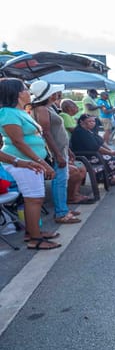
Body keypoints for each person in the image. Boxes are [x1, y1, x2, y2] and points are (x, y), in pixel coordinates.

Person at [0, 78, 60, 250]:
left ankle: (33, 232)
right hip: (22, 163)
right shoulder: (8, 113)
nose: (29, 92)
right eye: (25, 89)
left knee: (34, 198)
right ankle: (35, 239)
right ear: (18, 93)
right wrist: (42, 162)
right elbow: (18, 142)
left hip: (31, 162)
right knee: (33, 198)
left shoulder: (19, 112)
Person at [29, 81, 81, 225]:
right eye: (54, 92)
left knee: (62, 180)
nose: (57, 94)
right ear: (49, 94)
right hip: (55, 151)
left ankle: (63, 209)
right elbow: (46, 133)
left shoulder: (48, 107)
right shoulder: (41, 109)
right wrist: (58, 154)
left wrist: (67, 150)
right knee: (60, 181)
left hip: (61, 149)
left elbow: (57, 131)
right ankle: (61, 213)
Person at [70, 114, 115, 185]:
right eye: (89, 121)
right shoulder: (80, 131)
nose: (92, 123)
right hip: (86, 157)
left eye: (93, 121)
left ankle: (113, 176)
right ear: (82, 122)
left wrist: (110, 150)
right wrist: (110, 153)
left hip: (93, 155)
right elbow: (96, 147)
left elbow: (101, 141)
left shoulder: (89, 130)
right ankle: (110, 178)